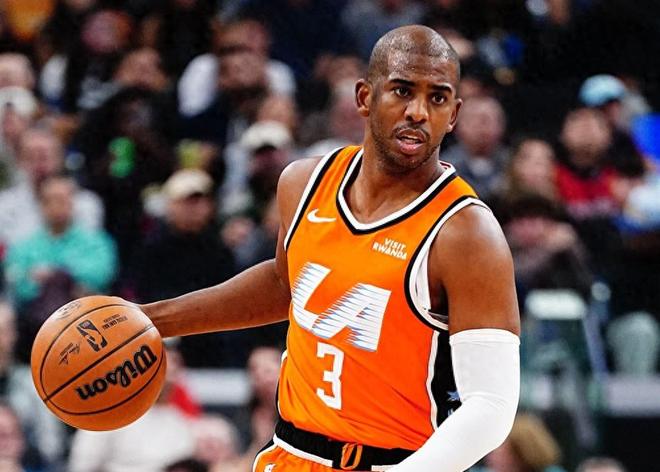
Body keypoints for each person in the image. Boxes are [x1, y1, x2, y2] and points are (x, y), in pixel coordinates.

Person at [140, 25, 520, 471]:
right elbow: (287, 285)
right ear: (364, 97)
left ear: (453, 115)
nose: (418, 112)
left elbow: (491, 406)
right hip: (288, 453)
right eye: (402, 91)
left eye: (437, 98)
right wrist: (150, 320)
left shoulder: (466, 232)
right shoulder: (304, 183)